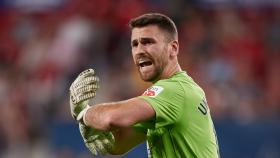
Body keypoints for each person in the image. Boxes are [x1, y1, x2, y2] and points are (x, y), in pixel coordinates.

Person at [69, 13, 220, 158]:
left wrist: (84, 113)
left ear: (173, 48)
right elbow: (118, 145)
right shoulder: (176, 94)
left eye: (148, 42)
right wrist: (92, 127)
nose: (139, 51)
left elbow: (112, 117)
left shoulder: (174, 90)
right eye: (135, 44)